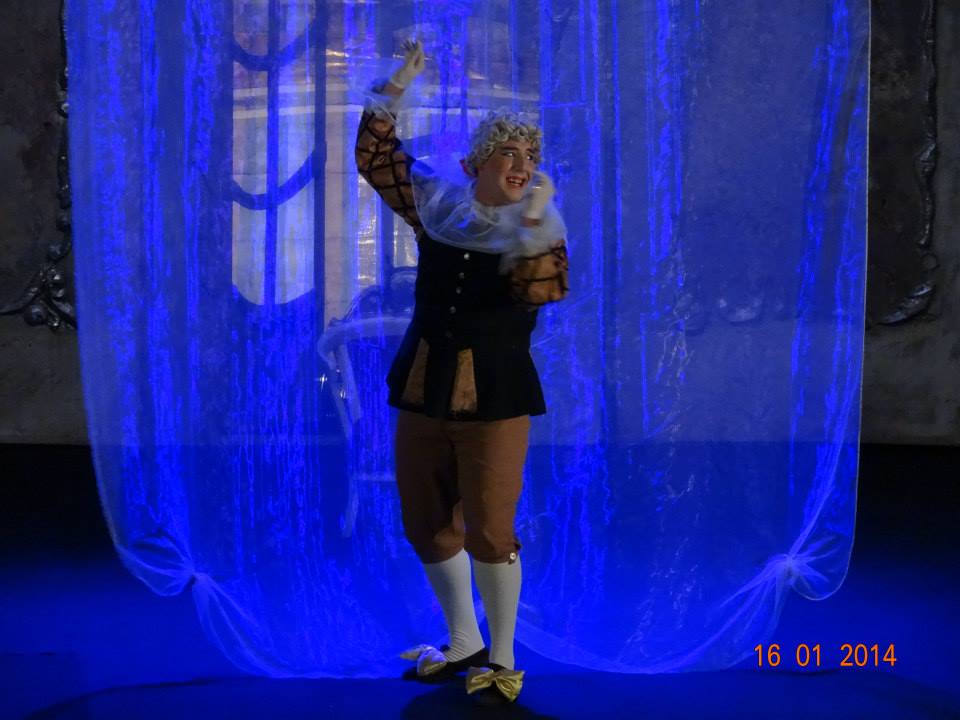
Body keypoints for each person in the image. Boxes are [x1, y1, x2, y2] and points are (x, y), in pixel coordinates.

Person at [355, 38, 568, 705]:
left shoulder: (539, 230)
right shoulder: (439, 208)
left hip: (495, 397)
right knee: (425, 521)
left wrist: (531, 224)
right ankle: (462, 640)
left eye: (530, 156)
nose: (522, 165)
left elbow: (542, 291)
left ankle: (501, 660)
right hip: (424, 386)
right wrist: (397, 83)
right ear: (477, 163)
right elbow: (376, 159)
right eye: (509, 153)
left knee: (491, 530)